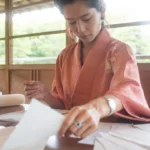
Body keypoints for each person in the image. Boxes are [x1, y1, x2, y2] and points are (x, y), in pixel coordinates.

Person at [24, 0, 150, 138]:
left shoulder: (119, 51)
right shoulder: (64, 56)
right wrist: (46, 95)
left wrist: (97, 109)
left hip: (111, 135)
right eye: (71, 22)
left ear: (101, 10)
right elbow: (63, 105)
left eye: (86, 18)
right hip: (72, 133)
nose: (80, 29)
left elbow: (127, 90)